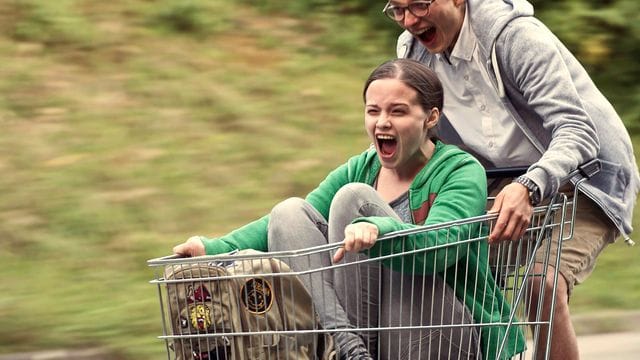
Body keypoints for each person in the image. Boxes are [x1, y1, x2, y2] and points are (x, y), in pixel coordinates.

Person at [174, 59, 525, 359]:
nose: (382, 122)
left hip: (440, 328)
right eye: (373, 111)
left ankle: (345, 347)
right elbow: (286, 228)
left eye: (397, 111)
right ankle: (348, 347)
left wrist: (379, 229)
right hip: (366, 332)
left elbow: (440, 247)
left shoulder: (460, 170)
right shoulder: (364, 165)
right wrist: (212, 248)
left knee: (351, 199)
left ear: (431, 118)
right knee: (288, 212)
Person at [381, 0, 640, 359]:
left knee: (541, 285)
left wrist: (529, 186)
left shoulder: (515, 37)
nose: (409, 21)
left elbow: (576, 130)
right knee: (453, 274)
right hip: (501, 182)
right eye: (398, 9)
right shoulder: (415, 56)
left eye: (420, 5)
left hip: (585, 178)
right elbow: (419, 139)